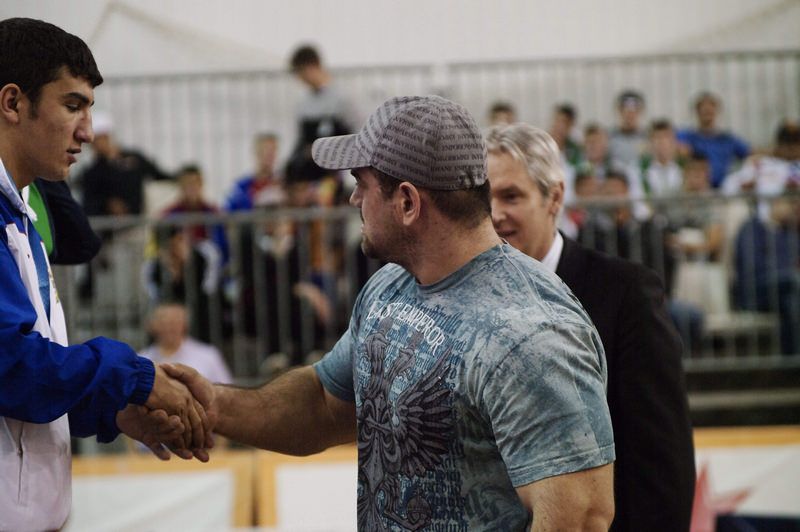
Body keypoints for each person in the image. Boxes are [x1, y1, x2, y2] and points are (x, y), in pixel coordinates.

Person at [165, 95, 616, 530]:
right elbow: (324, 404)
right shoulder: (392, 285)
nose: (353, 200)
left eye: (361, 185)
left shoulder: (530, 333)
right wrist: (213, 404)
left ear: (407, 202)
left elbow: (580, 519)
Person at [0, 18, 211, 530]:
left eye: (89, 109)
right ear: (12, 103)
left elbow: (25, 397)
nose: (88, 132)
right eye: (72, 105)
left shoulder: (24, 217)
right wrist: (133, 376)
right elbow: (10, 365)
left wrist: (114, 410)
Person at [486, 123, 695, 532]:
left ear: (554, 197)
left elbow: (662, 465)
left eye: (511, 196)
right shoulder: (469, 300)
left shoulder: (626, 293)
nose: (494, 214)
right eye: (484, 199)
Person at [285, 44, 356, 204]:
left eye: (301, 73)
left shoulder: (342, 98)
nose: (300, 79)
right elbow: (300, 140)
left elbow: (357, 133)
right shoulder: (303, 104)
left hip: (335, 172)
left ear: (312, 66)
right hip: (310, 176)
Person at [140, 303, 232, 385]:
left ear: (185, 325)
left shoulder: (208, 355)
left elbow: (226, 389)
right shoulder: (142, 359)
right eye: (163, 322)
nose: (169, 327)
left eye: (174, 322)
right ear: (152, 325)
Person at [677, 91, 750, 189]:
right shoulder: (687, 136)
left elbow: (749, 152)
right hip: (697, 189)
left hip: (723, 188)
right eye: (704, 111)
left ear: (717, 112)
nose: (707, 114)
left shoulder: (727, 139)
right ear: (697, 112)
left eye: (710, 111)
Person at [225, 132, 286, 211]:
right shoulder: (242, 187)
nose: (271, 155)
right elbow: (229, 211)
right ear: (256, 153)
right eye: (267, 150)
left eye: (274, 150)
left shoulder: (282, 184)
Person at [609, 90, 648, 168]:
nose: (630, 116)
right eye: (626, 112)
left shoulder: (647, 138)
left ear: (640, 112)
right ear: (619, 111)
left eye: (634, 111)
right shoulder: (609, 138)